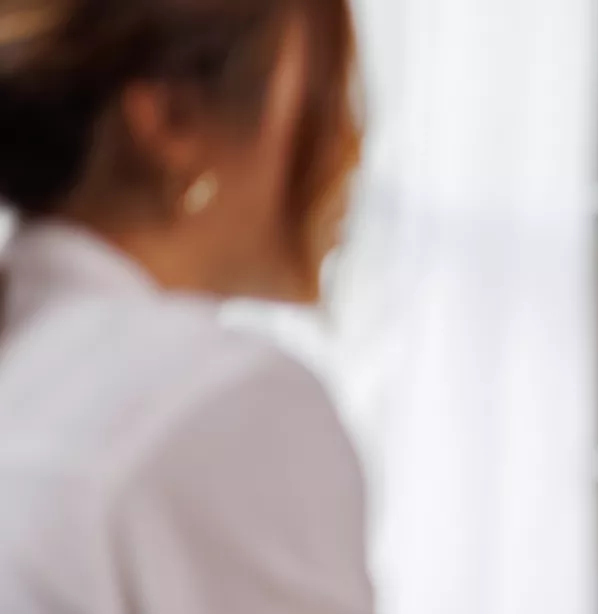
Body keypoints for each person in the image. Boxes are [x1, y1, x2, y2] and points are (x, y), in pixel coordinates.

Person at [0, 0, 369, 612]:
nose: (350, 142)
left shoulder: (32, 368)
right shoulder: (224, 404)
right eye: (330, 90)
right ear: (172, 120)